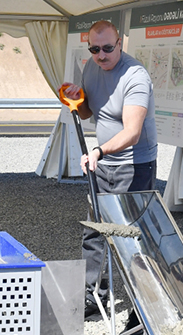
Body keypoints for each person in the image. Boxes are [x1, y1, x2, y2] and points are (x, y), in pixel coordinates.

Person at [61, 20, 157, 332]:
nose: (101, 55)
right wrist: (77, 97)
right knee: (94, 231)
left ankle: (142, 309)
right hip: (102, 163)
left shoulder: (135, 76)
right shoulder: (92, 67)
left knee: (131, 239)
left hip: (134, 166)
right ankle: (91, 297)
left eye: (106, 48)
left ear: (119, 43)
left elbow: (132, 132)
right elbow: (88, 112)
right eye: (94, 48)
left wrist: (99, 151)